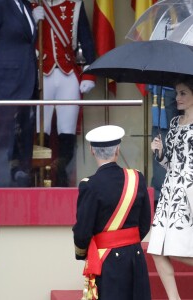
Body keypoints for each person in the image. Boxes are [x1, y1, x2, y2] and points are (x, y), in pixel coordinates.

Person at [73, 125, 151, 300]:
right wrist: (128, 241)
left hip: (106, 260)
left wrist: (81, 253)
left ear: (92, 150)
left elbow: (82, 231)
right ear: (118, 150)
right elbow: (145, 221)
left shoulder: (90, 185)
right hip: (135, 256)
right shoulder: (137, 178)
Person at [0, 0, 44, 187]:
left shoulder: (25, 6)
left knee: (24, 144)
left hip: (26, 84)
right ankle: (1, 192)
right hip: (3, 84)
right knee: (3, 143)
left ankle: (22, 189)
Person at [31, 0, 96, 186]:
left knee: (66, 130)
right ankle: (39, 176)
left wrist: (89, 75)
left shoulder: (74, 5)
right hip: (41, 74)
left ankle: (63, 178)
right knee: (40, 130)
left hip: (68, 73)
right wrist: (33, 22)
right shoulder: (32, 6)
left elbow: (87, 39)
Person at [148, 76, 193, 300]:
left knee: (178, 248)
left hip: (189, 193)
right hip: (169, 192)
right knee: (156, 248)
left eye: (183, 93)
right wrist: (160, 153)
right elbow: (171, 162)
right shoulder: (174, 123)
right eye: (177, 93)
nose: (178, 98)